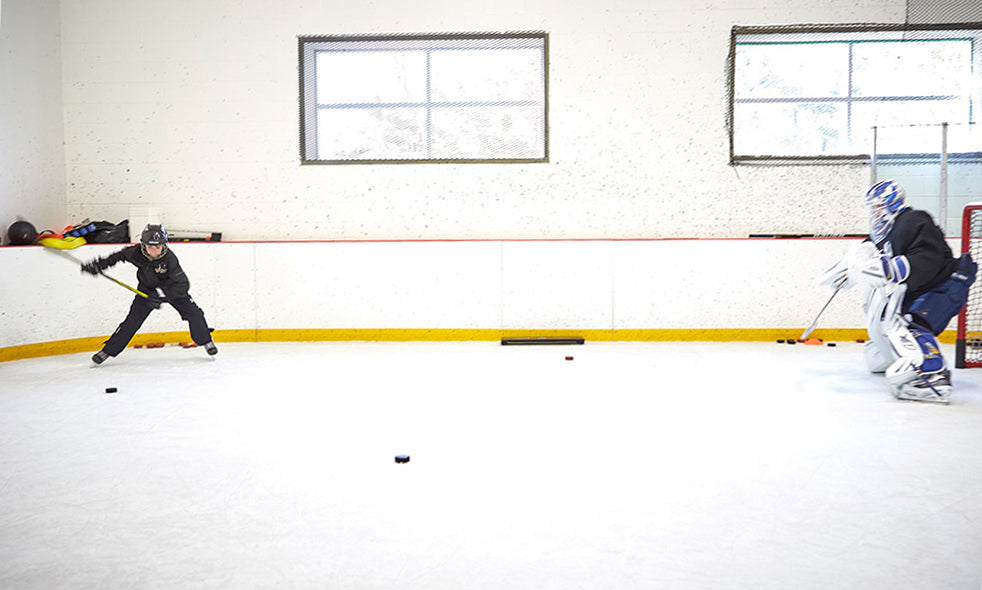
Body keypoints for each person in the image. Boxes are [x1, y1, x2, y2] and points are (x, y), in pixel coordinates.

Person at [820, 180, 976, 403]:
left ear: (892, 203)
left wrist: (890, 268)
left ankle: (932, 377)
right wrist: (849, 270)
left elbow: (927, 258)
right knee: (888, 317)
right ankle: (891, 356)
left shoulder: (914, 220)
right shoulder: (889, 231)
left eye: (878, 206)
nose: (875, 212)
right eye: (873, 208)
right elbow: (871, 248)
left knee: (913, 322)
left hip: (947, 284)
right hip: (928, 286)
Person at [82, 224, 217, 365]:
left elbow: (183, 285)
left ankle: (206, 341)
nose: (154, 252)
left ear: (164, 245)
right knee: (131, 322)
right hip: (146, 290)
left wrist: (161, 295)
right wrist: (99, 265)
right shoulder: (135, 252)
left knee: (195, 314)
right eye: (150, 247)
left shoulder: (170, 259)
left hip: (172, 289)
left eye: (158, 247)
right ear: (143, 244)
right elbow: (118, 256)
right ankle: (108, 351)